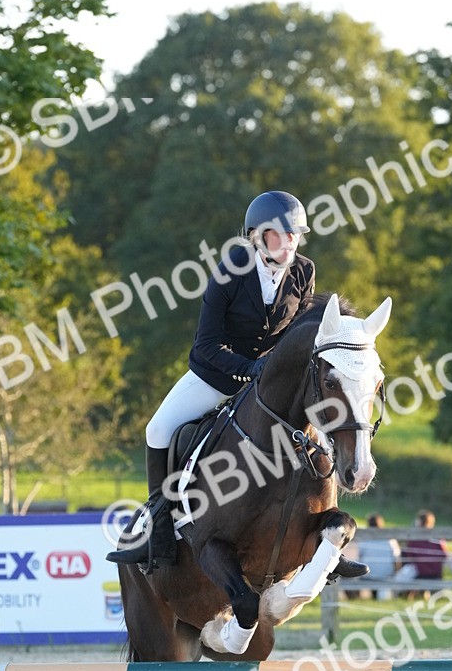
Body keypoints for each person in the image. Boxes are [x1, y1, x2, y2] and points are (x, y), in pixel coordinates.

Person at [109, 191, 315, 570]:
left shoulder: (304, 272)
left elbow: (298, 330)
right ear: (257, 236)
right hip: (217, 376)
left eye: (294, 235)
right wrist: (249, 369)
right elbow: (206, 346)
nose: (288, 243)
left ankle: (325, 534)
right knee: (158, 430)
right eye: (279, 235)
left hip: (270, 386)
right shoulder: (231, 270)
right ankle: (158, 526)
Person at [398, 510, 448, 593]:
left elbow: (410, 557)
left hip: (420, 573)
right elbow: (444, 555)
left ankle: (407, 592)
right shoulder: (438, 537)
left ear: (419, 522)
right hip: (436, 574)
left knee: (403, 557)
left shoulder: (414, 538)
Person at [357, 514, 401, 600]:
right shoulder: (390, 540)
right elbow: (397, 558)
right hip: (386, 574)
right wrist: (396, 573)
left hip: (368, 575)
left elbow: (359, 556)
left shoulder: (364, 538)